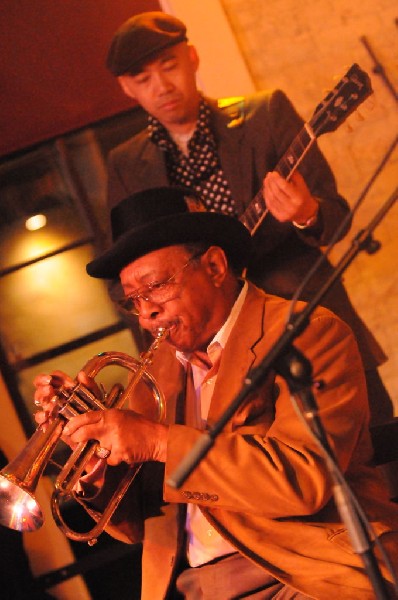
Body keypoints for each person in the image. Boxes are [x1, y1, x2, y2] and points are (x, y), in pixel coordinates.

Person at [33, 187, 398, 599]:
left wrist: (156, 440)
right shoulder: (156, 372)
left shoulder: (309, 331)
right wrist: (93, 453)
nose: (146, 312)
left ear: (214, 265)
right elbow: (139, 525)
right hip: (192, 588)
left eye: (156, 287)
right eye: (133, 300)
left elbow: (303, 481)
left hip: (305, 573)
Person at [102, 10, 392, 424]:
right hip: (217, 372)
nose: (162, 86)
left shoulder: (264, 115)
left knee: (379, 461)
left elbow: (337, 217)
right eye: (144, 79)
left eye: (170, 67)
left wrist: (306, 214)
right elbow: (119, 279)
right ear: (127, 88)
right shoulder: (126, 164)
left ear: (193, 58)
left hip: (310, 327)